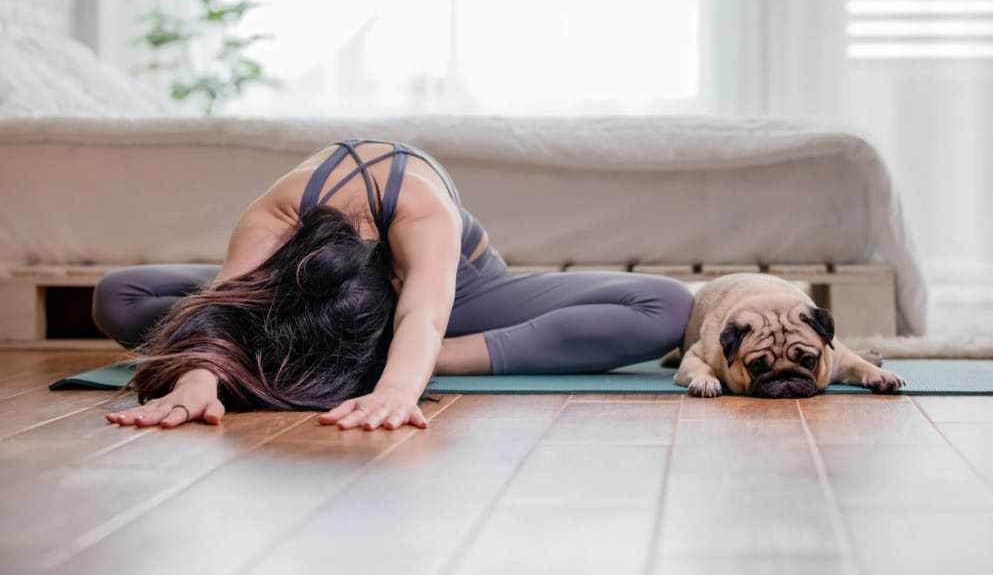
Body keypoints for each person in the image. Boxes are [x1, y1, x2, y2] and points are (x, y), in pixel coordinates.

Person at [93, 139, 694, 432]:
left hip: (463, 297)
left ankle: (404, 360)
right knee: (121, 295)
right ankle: (336, 346)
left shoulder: (421, 214)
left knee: (663, 305)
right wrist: (197, 379)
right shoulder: (277, 214)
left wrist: (399, 387)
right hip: (301, 299)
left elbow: (422, 317)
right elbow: (221, 308)